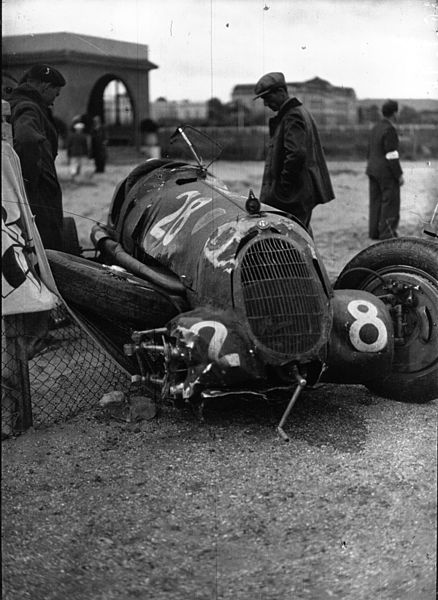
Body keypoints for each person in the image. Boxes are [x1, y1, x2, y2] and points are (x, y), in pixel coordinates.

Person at [254, 72, 334, 228]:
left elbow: (296, 154)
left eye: (267, 98)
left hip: (293, 195)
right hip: (299, 192)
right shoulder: (299, 112)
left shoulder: (292, 115)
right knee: (299, 232)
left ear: (281, 92)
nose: (265, 104)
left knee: (287, 237)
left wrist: (283, 189)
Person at [9, 63, 66, 250]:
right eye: (55, 94)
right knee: (48, 248)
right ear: (44, 87)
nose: (53, 101)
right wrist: (31, 182)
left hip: (29, 192)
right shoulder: (29, 107)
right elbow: (27, 140)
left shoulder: (16, 103)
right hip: (39, 195)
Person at [366, 100, 404, 239]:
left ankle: (374, 233)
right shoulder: (390, 129)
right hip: (386, 172)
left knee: (375, 201)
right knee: (390, 202)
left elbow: (369, 151)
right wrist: (398, 174)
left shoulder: (375, 128)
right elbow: (391, 154)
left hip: (372, 170)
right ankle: (387, 233)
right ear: (394, 113)